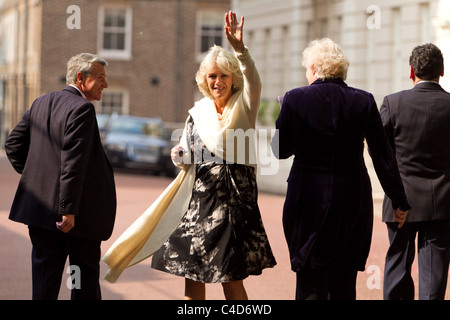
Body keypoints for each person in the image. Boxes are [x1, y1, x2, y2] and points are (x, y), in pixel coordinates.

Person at [150, 11, 276, 300]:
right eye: (212, 76)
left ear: (232, 78)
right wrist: (178, 153)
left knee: (230, 280)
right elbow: (184, 155)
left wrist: (240, 49)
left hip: (234, 205)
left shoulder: (244, 104)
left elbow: (253, 79)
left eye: (223, 75)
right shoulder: (198, 112)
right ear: (204, 80)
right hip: (198, 205)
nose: (217, 81)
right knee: (193, 278)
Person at [272, 38, 410, 300]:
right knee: (344, 284)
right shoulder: (364, 101)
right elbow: (382, 155)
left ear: (313, 68)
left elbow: (280, 150)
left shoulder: (294, 99)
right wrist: (399, 199)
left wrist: (284, 115)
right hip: (352, 202)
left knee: (310, 282)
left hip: (307, 202)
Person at [4, 53, 116, 300]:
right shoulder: (82, 109)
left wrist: (40, 181)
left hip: (41, 214)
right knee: (82, 284)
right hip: (75, 220)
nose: (105, 85)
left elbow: (12, 145)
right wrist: (68, 209)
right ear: (81, 78)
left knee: (44, 285)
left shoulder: (41, 102)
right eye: (100, 78)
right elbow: (72, 162)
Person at [381, 43, 450, 300]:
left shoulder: (393, 103)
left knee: (397, 270)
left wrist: (395, 195)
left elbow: (380, 154)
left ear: (411, 72)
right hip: (442, 203)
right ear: (442, 71)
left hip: (402, 203)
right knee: (434, 277)